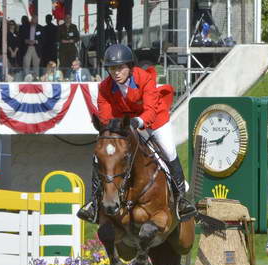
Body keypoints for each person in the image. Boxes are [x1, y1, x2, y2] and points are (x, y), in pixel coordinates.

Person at [77, 43, 197, 224]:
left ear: (130, 67)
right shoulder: (104, 87)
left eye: (120, 68)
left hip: (153, 120)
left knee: (169, 151)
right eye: (111, 69)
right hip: (124, 125)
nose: (116, 73)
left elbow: (150, 109)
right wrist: (110, 131)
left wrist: (138, 122)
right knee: (102, 156)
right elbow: (105, 116)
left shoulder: (145, 78)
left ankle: (182, 199)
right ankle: (94, 204)